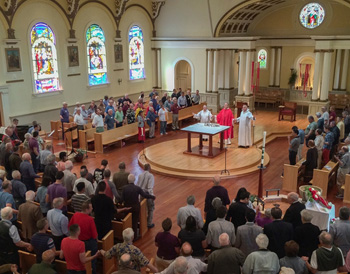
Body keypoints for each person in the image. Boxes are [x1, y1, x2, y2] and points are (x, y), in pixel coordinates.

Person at [69, 200, 98, 274]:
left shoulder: (75, 215)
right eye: (91, 208)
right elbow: (94, 235)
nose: (92, 209)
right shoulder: (90, 219)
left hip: (77, 241)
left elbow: (70, 226)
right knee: (92, 260)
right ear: (86, 209)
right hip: (88, 242)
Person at [137, 164, 155, 228]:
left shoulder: (140, 175)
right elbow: (150, 188)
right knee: (151, 209)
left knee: (143, 209)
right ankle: (149, 223)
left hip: (141, 194)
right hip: (148, 195)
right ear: (149, 168)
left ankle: (142, 222)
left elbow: (138, 186)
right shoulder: (150, 176)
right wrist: (152, 196)